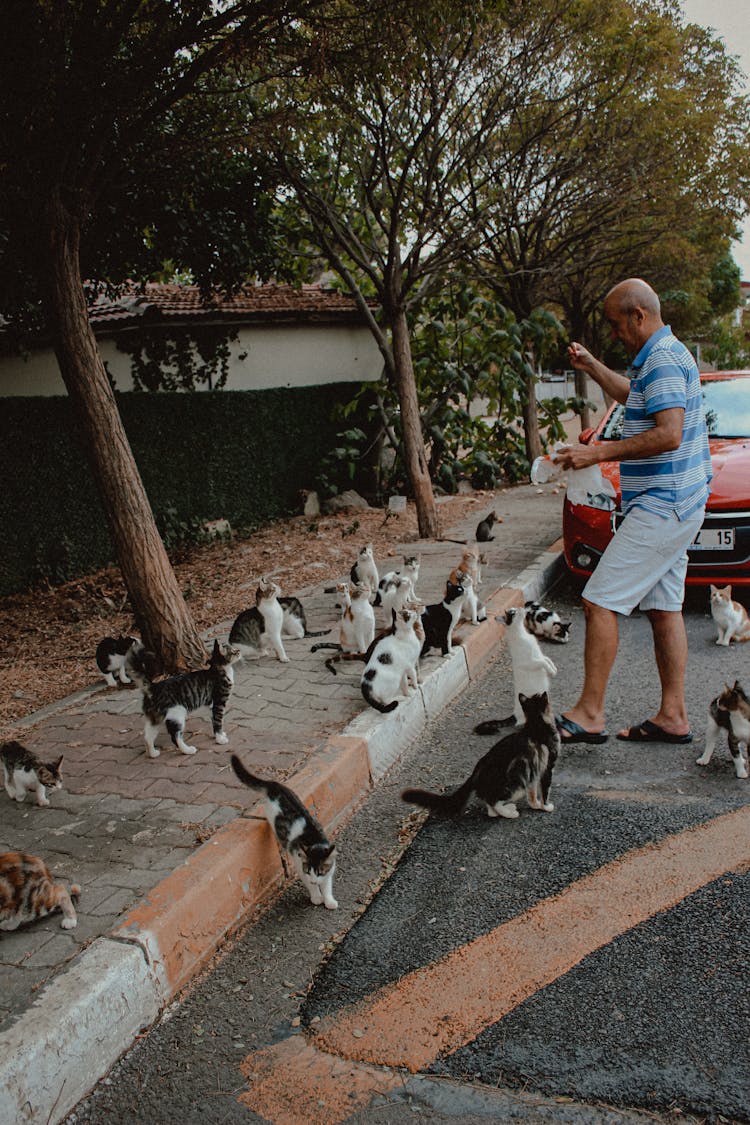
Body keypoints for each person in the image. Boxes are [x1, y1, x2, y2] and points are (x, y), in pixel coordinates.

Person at [554, 277, 712, 746]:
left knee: (598, 600)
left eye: (617, 324)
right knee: (665, 609)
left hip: (664, 505)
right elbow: (634, 397)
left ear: (638, 316)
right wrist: (591, 364)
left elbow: (668, 434)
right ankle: (673, 716)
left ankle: (589, 712)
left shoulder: (661, 359)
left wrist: (596, 454)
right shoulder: (663, 355)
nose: (616, 333)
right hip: (680, 503)